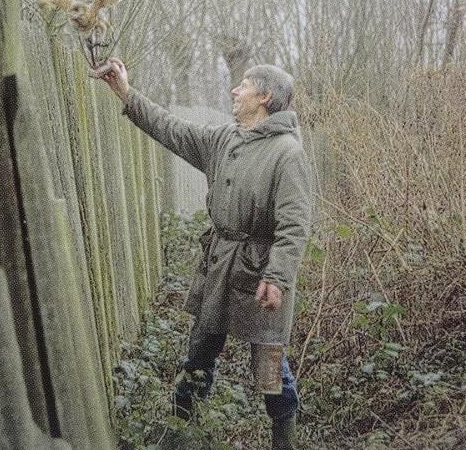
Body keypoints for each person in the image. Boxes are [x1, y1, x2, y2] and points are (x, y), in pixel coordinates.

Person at [97, 58, 313, 450]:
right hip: (219, 267)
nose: (235, 90)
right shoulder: (223, 139)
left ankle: (285, 440)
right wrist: (125, 92)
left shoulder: (288, 153)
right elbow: (171, 128)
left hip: (261, 276)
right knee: (199, 351)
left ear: (264, 97)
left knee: (269, 369)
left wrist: (277, 277)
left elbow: (294, 226)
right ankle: (178, 433)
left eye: (244, 84)